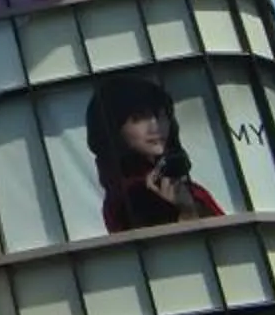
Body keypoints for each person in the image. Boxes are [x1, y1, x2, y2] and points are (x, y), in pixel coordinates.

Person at [86, 72, 226, 233]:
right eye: (139, 118)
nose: (156, 126)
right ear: (113, 128)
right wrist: (188, 213)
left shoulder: (167, 182)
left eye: (161, 115)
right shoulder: (135, 195)